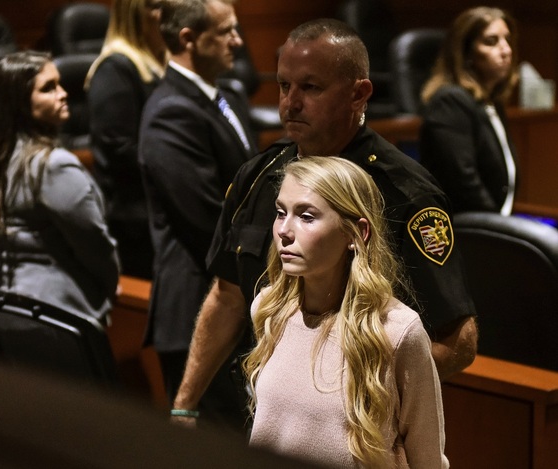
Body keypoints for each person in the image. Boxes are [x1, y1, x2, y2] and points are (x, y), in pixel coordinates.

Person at [172, 18, 478, 423]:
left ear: (359, 94)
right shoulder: (259, 175)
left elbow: (458, 341)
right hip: (254, 410)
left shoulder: (405, 195)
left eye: (310, 87)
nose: (290, 103)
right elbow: (227, 296)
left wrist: (348, 391)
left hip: (351, 426)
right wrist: (184, 403)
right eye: (284, 86)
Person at [245, 156, 448, 468]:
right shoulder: (269, 309)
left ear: (356, 234)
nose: (284, 231)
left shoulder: (396, 331)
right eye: (280, 213)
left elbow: (428, 460)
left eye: (307, 217)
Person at [138, 0, 256, 428]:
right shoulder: (171, 110)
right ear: (188, 38)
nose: (237, 41)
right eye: (226, 31)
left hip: (231, 300)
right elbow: (207, 220)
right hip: (195, 311)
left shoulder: (222, 95)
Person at [0, 51, 119, 323]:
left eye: (59, 84)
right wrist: (108, 286)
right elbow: (94, 245)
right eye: (48, 89)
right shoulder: (54, 166)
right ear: (19, 103)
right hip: (52, 313)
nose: (63, 94)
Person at [86, 0, 167, 280]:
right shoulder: (115, 68)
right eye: (156, 6)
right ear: (133, 14)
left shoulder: (160, 62)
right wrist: (177, 164)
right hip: (134, 220)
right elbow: (119, 149)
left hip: (159, 209)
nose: (166, 13)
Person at [420, 7, 519, 214]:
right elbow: (464, 184)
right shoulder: (450, 102)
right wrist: (498, 227)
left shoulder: (490, 102)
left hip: (492, 222)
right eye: (491, 42)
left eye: (507, 40)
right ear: (466, 53)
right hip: (465, 229)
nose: (506, 50)